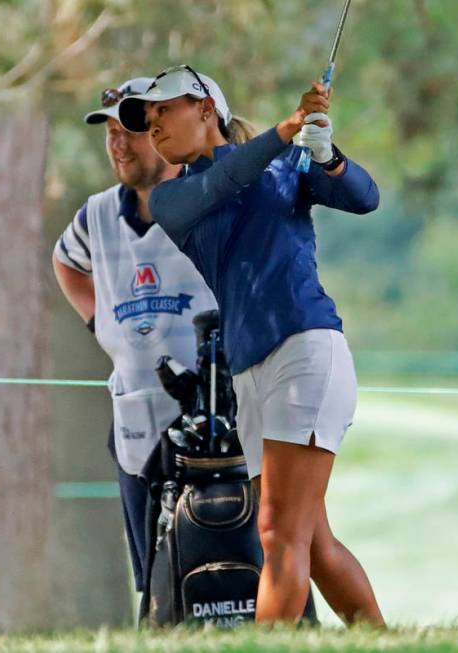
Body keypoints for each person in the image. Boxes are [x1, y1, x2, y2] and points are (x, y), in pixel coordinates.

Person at [117, 65, 385, 625]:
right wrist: (285, 132)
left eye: (164, 110)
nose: (153, 126)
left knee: (277, 534)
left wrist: (326, 151)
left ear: (205, 109)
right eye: (149, 118)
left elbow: (365, 197)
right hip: (249, 373)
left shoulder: (287, 165)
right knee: (310, 543)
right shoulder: (174, 197)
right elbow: (225, 180)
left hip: (304, 349)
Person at [51, 77, 218, 595]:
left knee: (222, 558)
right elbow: (65, 261)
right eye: (110, 133)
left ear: (161, 132)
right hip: (133, 418)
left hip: (213, 411)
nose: (118, 144)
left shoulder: (205, 198)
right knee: (152, 576)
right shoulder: (97, 214)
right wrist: (105, 327)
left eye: (130, 129)